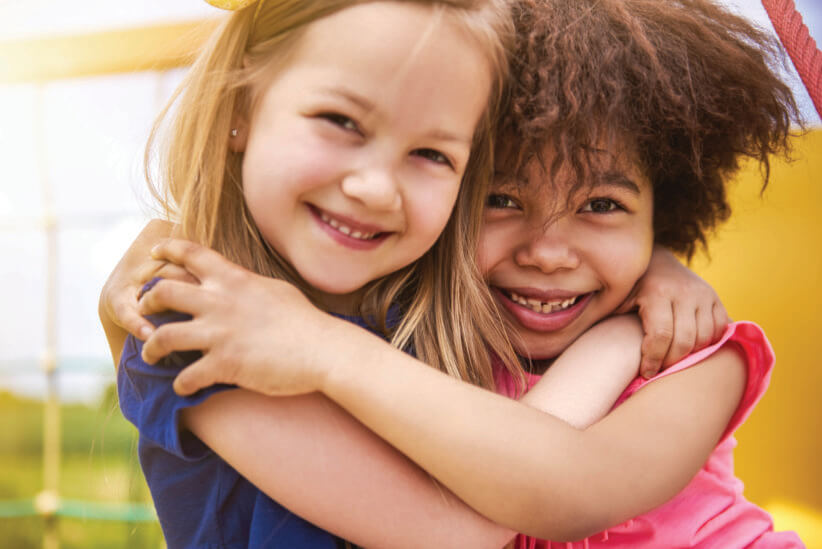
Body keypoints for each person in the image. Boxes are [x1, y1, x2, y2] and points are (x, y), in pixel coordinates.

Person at [121, 0, 805, 546]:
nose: (548, 251)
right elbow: (462, 523)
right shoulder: (212, 324)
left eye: (602, 207)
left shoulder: (676, 354)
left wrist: (651, 277)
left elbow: (560, 479)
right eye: (501, 198)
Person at [110, 0, 530, 546]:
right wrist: (616, 346)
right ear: (240, 108)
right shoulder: (191, 322)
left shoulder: (437, 316)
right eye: (341, 122)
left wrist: (654, 271)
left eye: (431, 154)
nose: (376, 188)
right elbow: (456, 533)